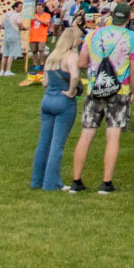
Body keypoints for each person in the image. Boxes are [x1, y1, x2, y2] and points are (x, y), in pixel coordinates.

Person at [67, 12, 134, 194]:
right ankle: (106, 183)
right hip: (120, 89)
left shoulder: (93, 34)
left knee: (86, 134)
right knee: (113, 135)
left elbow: (82, 62)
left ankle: (76, 181)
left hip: (95, 88)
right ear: (128, 19)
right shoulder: (131, 36)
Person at [32, 26, 82, 191]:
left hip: (48, 100)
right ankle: (52, 182)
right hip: (63, 101)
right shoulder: (72, 56)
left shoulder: (52, 56)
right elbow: (74, 75)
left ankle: (37, 180)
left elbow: (45, 82)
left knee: (43, 142)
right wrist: (71, 90)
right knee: (57, 144)